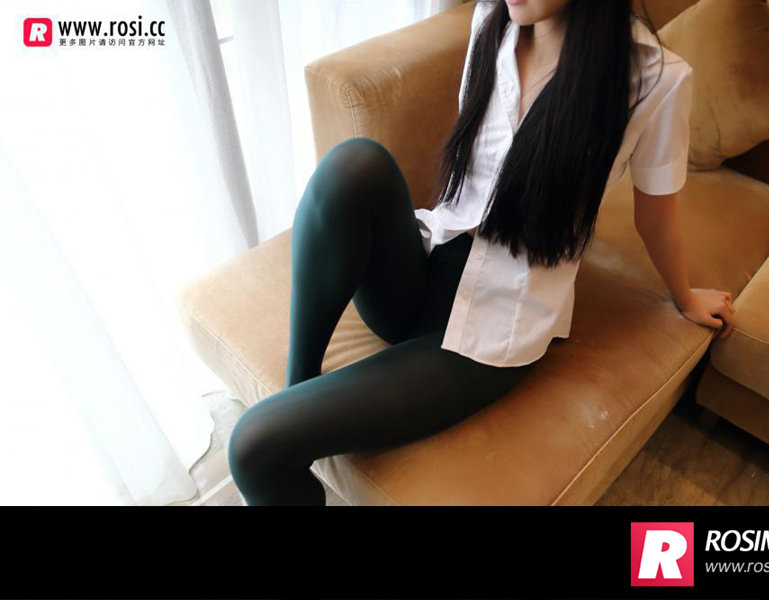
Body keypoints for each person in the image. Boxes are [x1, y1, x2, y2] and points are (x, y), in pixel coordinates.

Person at [227, 0, 735, 506]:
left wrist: (686, 297)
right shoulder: (493, 21)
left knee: (254, 444)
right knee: (353, 165)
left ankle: (286, 420)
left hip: (489, 335)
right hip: (428, 265)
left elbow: (655, 218)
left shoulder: (655, 79)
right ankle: (296, 387)